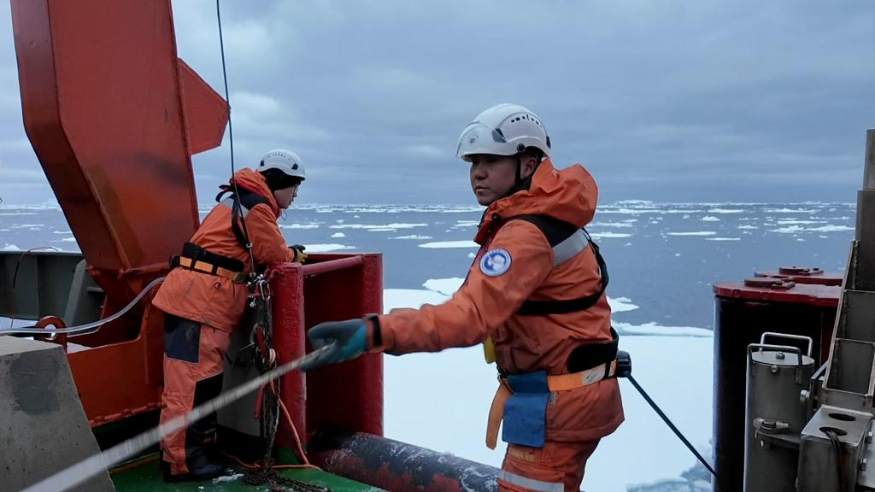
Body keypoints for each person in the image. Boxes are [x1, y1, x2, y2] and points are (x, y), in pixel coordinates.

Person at [303, 104, 624, 492]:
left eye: (491, 161)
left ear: (528, 164)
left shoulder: (526, 234)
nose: (478, 173)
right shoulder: (549, 213)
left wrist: (374, 332)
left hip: (558, 403)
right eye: (474, 163)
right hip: (571, 390)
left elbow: (469, 316)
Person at [153, 149, 308, 481]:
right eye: (294, 186)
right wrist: (294, 254)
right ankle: (182, 462)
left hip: (192, 300)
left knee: (192, 383)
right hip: (200, 304)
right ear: (278, 181)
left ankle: (181, 453)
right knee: (193, 385)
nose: (296, 194)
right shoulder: (257, 208)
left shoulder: (240, 200)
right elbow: (273, 252)